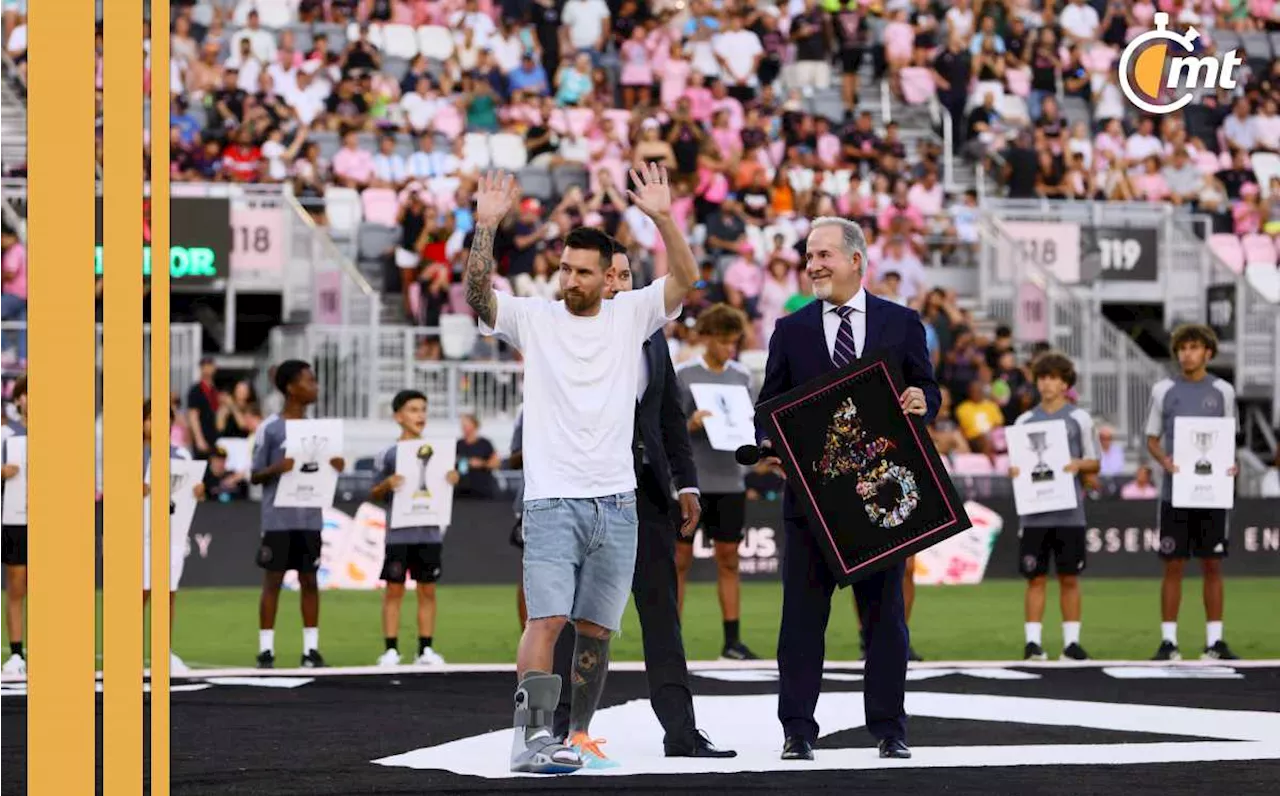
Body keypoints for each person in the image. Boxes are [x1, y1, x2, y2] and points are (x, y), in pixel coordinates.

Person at [465, 166, 696, 774]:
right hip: (551, 501)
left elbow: (686, 280)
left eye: (581, 271)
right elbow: (478, 298)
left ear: (606, 277)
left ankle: (575, 735)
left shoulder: (631, 317)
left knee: (596, 631)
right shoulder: (535, 318)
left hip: (618, 504)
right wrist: (485, 226)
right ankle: (529, 740)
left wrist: (665, 218)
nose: (568, 279)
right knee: (546, 619)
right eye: (564, 268)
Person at [756, 216, 939, 762]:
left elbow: (927, 386)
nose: (813, 265)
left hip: (881, 504)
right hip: (809, 507)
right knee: (801, 626)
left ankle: (889, 729)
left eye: (824, 255)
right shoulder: (790, 330)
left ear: (857, 260)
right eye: (809, 256)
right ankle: (797, 731)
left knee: (885, 621)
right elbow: (769, 408)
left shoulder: (902, 323)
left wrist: (923, 400)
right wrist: (769, 445)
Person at [551, 246, 735, 761]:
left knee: (662, 616)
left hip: (648, 496)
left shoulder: (651, 335)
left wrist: (688, 484)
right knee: (577, 619)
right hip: (585, 493)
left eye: (627, 274)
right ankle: (564, 729)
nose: (618, 283)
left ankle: (681, 731)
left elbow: (670, 420)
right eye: (608, 274)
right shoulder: (565, 332)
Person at [1144, 324, 1240, 661]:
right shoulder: (1163, 390)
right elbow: (1152, 439)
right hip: (1175, 492)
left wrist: (1232, 465)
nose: (1187, 353)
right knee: (1174, 564)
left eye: (1194, 347)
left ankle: (1215, 641)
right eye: (1182, 348)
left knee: (1212, 563)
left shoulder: (1224, 392)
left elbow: (1228, 439)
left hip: (1211, 493)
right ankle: (1168, 641)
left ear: (1208, 353)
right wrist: (1165, 461)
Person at [673, 303, 761, 661]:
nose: (730, 348)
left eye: (734, 342)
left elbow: (753, 426)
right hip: (691, 482)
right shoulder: (684, 375)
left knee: (729, 559)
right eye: (724, 341)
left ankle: (732, 642)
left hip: (729, 480)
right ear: (707, 337)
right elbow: (668, 427)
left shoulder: (743, 376)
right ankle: (672, 641)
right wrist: (690, 423)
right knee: (679, 560)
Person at [249, 360, 344, 669]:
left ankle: (311, 651)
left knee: (310, 581)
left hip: (309, 518)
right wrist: (277, 468)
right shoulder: (271, 428)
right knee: (273, 581)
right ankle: (266, 650)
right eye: (309, 381)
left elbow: (323, 472)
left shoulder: (321, 430)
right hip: (278, 518)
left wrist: (336, 467)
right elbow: (254, 476)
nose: (315, 386)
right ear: (291, 387)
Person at [1008, 353, 1100, 662]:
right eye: (1043, 377)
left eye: (1054, 378)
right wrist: (1015, 471)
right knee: (1035, 578)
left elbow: (1095, 460)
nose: (1047, 383)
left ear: (1065, 383)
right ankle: (1033, 642)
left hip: (1069, 512)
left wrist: (1078, 464)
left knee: (1069, 578)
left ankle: (1071, 643)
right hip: (1034, 513)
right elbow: (1017, 464)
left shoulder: (1079, 419)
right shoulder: (1024, 421)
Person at [369, 389, 460, 667]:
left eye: (423, 409)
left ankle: (425, 649)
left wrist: (452, 479)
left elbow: (445, 486)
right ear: (398, 416)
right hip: (399, 532)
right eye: (413, 409)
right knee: (394, 590)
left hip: (429, 531)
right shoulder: (388, 454)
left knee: (427, 590)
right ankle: (391, 649)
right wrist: (386, 484)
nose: (420, 415)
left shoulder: (440, 452)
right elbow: (373, 493)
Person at [142, 399, 207, 674]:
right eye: (152, 418)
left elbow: (189, 492)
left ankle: (162, 652)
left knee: (167, 594)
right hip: (139, 534)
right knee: (141, 593)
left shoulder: (180, 454)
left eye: (165, 419)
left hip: (170, 533)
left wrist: (198, 490)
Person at [0, 374, 27, 674]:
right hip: (14, 517)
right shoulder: (7, 436)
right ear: (18, 399)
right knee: (16, 585)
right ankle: (17, 653)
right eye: (25, 394)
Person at [185, 356, 221, 459]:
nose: (208, 369)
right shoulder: (196, 390)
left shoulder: (215, 390)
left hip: (214, 437)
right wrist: (199, 439)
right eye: (205, 366)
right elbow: (193, 416)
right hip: (202, 437)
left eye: (210, 365)